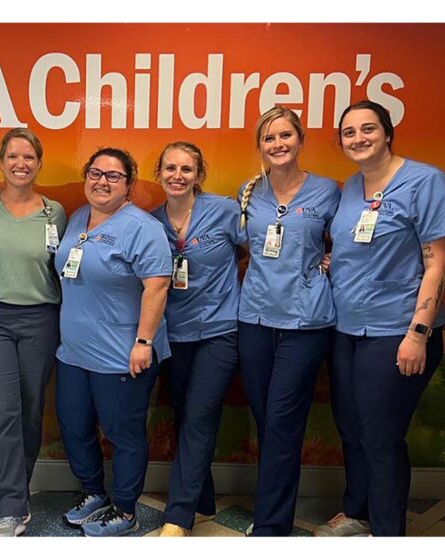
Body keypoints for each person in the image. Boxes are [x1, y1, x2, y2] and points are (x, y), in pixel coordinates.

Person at [315, 100, 445, 537]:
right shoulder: (351, 188)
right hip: (347, 329)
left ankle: (388, 535)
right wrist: (333, 260)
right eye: (348, 132)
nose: (358, 138)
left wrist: (419, 334)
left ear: (388, 133)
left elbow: (437, 263)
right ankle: (357, 510)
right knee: (351, 429)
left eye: (368, 129)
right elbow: (357, 246)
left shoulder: (423, 181)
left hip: (396, 333)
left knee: (382, 438)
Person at [55, 147, 172, 537]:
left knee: (123, 434)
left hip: (121, 354)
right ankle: (93, 494)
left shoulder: (142, 227)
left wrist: (144, 341)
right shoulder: (76, 219)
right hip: (74, 351)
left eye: (113, 176)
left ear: (129, 185)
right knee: (74, 425)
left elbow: (157, 286)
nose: (101, 181)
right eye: (95, 172)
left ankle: (124, 508)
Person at [237, 106, 340, 536]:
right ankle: (274, 506)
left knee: (281, 418)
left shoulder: (328, 191)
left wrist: (335, 260)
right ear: (260, 145)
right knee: (267, 418)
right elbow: (239, 246)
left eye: (285, 136)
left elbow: (352, 237)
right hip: (255, 318)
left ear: (300, 140)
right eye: (269, 138)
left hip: (306, 320)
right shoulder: (248, 193)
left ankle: (271, 526)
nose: (277, 145)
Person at [0, 128, 66, 537]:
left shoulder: (55, 212)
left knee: (29, 411)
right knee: (5, 409)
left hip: (40, 320)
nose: (20, 164)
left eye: (29, 157)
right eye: (13, 156)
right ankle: (11, 508)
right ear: (1, 161)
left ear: (38, 163)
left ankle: (19, 495)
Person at [150, 142, 245, 537]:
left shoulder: (223, 210)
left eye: (186, 169)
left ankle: (180, 515)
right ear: (159, 174)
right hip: (172, 335)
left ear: (199, 175)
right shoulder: (149, 222)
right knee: (186, 415)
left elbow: (263, 250)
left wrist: (318, 260)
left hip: (219, 330)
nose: (177, 175)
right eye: (170, 168)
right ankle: (203, 498)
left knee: (200, 416)